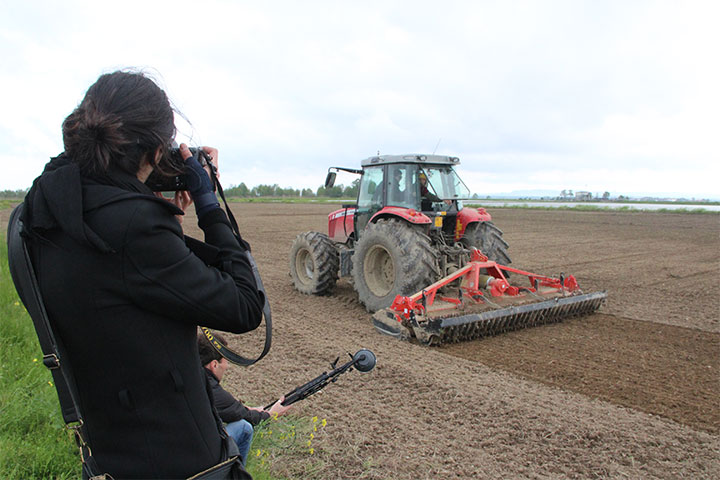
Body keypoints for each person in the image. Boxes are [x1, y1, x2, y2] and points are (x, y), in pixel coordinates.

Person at [20, 70, 264, 478]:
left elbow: (123, 279)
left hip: (110, 456)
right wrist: (206, 200)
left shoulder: (44, 209)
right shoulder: (134, 226)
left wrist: (151, 189)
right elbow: (244, 306)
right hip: (180, 462)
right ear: (153, 151)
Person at [198, 333, 291, 466]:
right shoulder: (210, 389)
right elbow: (245, 416)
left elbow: (232, 409)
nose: (227, 366)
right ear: (214, 364)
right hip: (198, 455)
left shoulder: (192, 375)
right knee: (244, 427)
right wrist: (270, 414)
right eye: (225, 361)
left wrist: (251, 409)